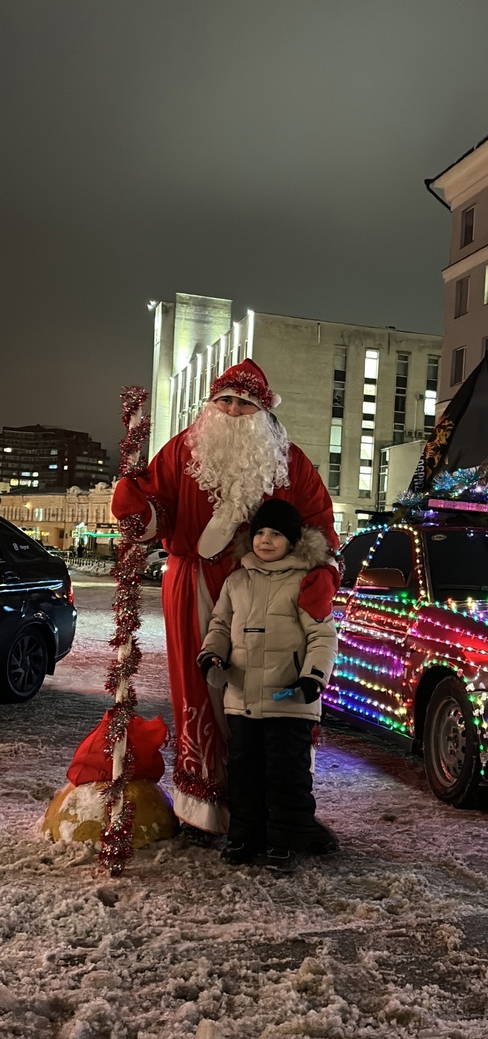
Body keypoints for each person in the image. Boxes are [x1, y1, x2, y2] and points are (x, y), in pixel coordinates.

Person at [111, 359, 339, 841]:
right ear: (211, 406)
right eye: (225, 401)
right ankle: (207, 809)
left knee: (273, 695)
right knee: (206, 688)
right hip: (194, 584)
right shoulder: (179, 453)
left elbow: (318, 521)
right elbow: (155, 514)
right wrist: (136, 507)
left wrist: (322, 573)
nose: (234, 411)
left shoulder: (290, 461)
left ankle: (282, 807)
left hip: (274, 592)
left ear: (262, 411)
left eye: (245, 403)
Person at [197, 499, 338, 871]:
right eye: (260, 532)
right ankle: (244, 837)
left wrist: (313, 677)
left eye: (276, 533)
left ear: (293, 542)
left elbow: (323, 636)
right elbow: (221, 626)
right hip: (242, 696)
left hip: (290, 698)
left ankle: (286, 841)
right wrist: (212, 654)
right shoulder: (237, 580)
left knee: (287, 775)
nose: (265, 539)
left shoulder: (306, 581)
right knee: (245, 773)